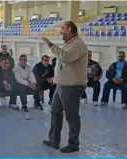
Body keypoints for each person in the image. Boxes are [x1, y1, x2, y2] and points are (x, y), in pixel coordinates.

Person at [41, 21, 87, 153]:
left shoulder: (78, 44)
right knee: (55, 112)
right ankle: (54, 141)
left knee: (72, 116)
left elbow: (65, 57)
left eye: (62, 28)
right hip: (61, 85)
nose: (60, 31)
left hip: (72, 86)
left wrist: (50, 44)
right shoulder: (70, 44)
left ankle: (73, 144)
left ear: (69, 30)